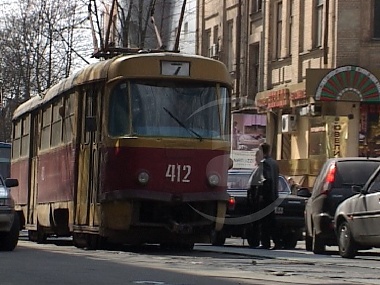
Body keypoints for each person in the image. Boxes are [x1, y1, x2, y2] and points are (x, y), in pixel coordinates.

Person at [255, 142, 280, 249]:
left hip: (266, 196)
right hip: (273, 195)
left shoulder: (264, 163)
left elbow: (266, 180)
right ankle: (277, 242)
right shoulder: (274, 163)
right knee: (271, 221)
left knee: (264, 221)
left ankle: (265, 243)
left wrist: (261, 194)